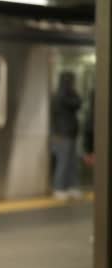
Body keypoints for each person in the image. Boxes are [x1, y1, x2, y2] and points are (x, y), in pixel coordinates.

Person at [51, 71, 83, 200]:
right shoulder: (63, 95)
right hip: (63, 134)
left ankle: (71, 187)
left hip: (67, 133)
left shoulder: (59, 94)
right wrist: (75, 93)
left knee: (71, 162)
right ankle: (59, 188)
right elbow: (77, 103)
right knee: (64, 163)